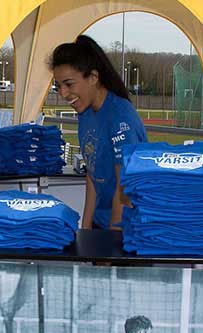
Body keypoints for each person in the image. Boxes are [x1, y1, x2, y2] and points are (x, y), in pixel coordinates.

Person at [48, 35, 147, 230]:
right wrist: (86, 230)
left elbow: (124, 189)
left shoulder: (120, 117)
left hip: (126, 229)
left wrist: (110, 245)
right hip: (101, 224)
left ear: (93, 77)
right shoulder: (85, 113)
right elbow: (92, 175)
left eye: (69, 84)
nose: (63, 94)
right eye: (58, 86)